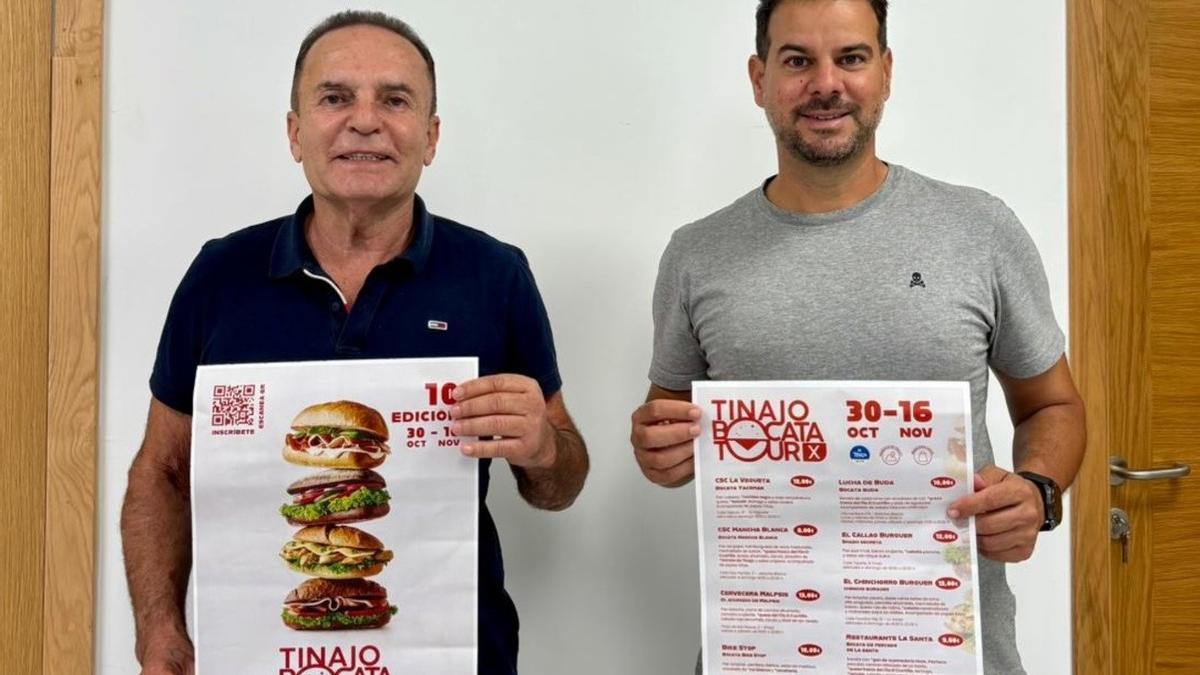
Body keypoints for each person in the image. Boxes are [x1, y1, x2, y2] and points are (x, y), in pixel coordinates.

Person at [120, 11, 589, 675]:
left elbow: (559, 481)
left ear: (430, 137)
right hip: (258, 649)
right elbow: (162, 473)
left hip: (453, 653)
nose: (364, 120)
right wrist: (158, 627)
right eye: (335, 97)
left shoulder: (495, 274)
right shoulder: (219, 274)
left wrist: (543, 444)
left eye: (394, 100)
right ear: (295, 132)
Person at [628, 1, 1085, 672]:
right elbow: (666, 424)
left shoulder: (979, 229)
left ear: (886, 71)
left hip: (951, 652)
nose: (825, 83)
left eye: (850, 57)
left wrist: (1038, 492)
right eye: (796, 61)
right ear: (758, 79)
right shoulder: (697, 255)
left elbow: (1054, 404)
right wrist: (657, 448)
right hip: (768, 651)